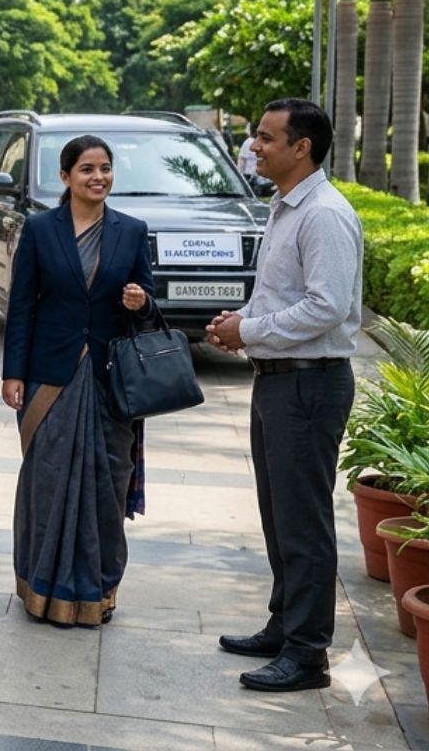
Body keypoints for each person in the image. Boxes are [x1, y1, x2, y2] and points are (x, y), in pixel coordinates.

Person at [205, 99, 362, 693]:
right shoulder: (285, 208)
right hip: (279, 380)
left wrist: (249, 331)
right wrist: (241, 320)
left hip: (309, 384)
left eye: (267, 138)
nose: (255, 146)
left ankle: (307, 654)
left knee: (304, 522)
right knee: (279, 514)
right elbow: (280, 298)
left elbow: (327, 307)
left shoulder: (323, 213)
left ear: (303, 148)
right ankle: (284, 623)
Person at [1, 136, 156, 628]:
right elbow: (22, 305)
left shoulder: (131, 232)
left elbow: (149, 303)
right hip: (51, 377)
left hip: (110, 383)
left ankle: (96, 589)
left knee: (105, 487)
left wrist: (141, 302)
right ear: (65, 176)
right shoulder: (41, 230)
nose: (98, 177)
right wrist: (13, 374)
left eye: (106, 168)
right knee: (47, 483)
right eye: (87, 168)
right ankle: (40, 588)